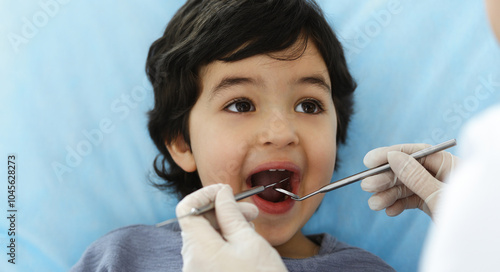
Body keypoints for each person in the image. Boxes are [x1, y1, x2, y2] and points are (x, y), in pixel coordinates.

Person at [71, 0, 394, 271]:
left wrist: (447, 223)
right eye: (241, 104)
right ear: (182, 143)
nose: (281, 133)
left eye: (308, 106)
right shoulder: (122, 257)